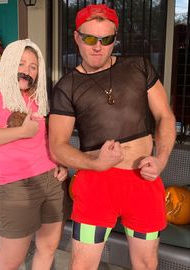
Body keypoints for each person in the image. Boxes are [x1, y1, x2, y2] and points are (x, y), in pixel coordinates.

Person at [49, 4, 176, 270]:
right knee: (82, 265)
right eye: (90, 38)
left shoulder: (139, 67)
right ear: (76, 37)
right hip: (96, 185)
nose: (98, 46)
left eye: (106, 39)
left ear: (114, 39)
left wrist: (161, 159)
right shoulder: (66, 87)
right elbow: (57, 146)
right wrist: (96, 163)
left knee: (146, 263)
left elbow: (165, 116)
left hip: (143, 180)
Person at [0, 39, 71, 270]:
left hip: (52, 182)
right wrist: (21, 131)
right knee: (10, 262)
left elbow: (44, 139)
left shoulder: (37, 99)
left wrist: (59, 161)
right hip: (17, 187)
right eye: (21, 63)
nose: (27, 70)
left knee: (47, 250)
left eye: (33, 66)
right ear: (9, 64)